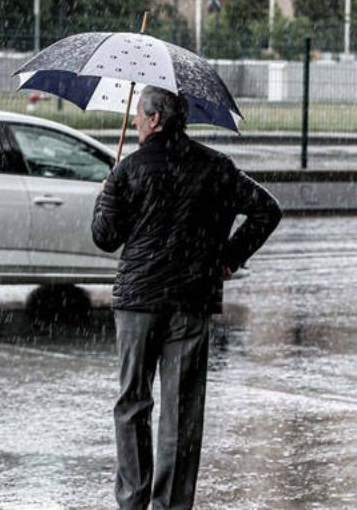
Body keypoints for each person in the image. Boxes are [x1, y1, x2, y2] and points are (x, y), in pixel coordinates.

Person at [92, 86, 281, 510]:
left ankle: (133, 499)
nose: (136, 122)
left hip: (138, 302)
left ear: (155, 119)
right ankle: (172, 504)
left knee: (132, 403)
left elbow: (104, 238)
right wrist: (229, 258)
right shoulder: (216, 167)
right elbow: (268, 210)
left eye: (140, 115)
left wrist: (106, 193)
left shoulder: (129, 169)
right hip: (191, 300)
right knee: (181, 411)